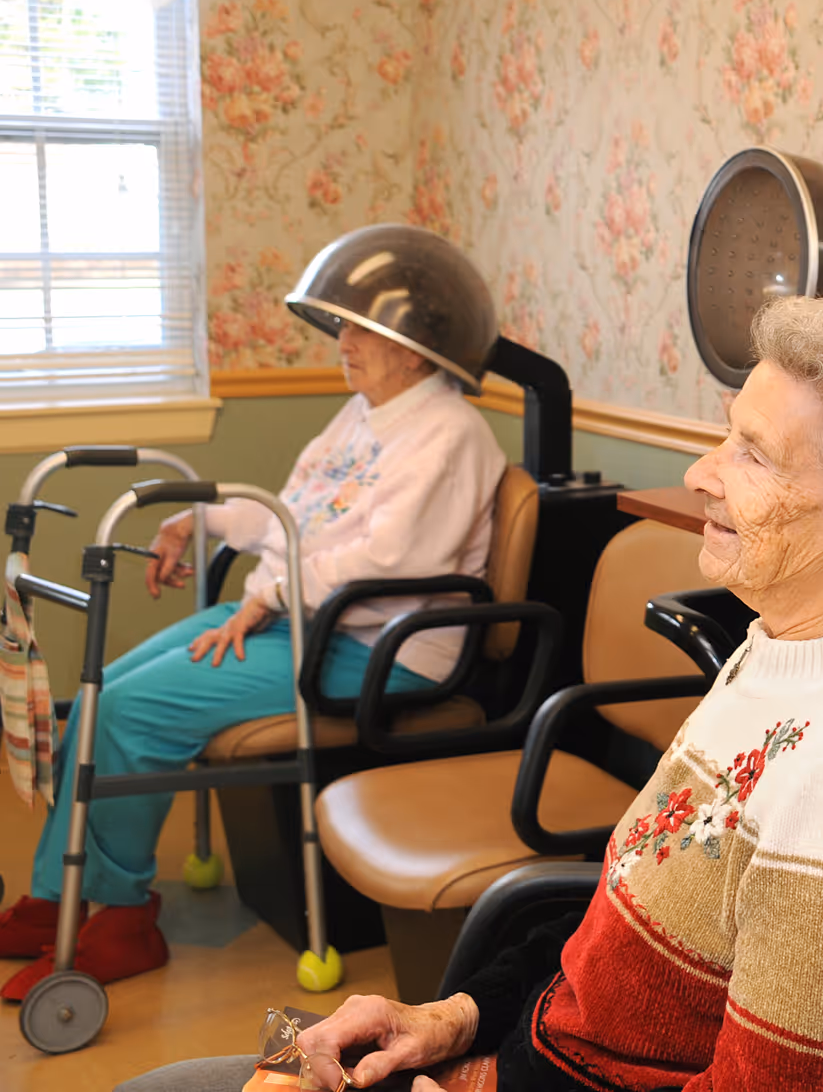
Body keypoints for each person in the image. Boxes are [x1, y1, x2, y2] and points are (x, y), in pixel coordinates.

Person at [116, 296, 823, 1092]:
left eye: (754, 456)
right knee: (222, 1070)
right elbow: (609, 956)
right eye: (727, 433)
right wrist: (448, 1019)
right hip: (514, 1055)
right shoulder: (781, 650)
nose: (700, 473)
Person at [0, 225, 507, 1000]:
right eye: (342, 324)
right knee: (104, 687)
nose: (343, 341)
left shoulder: (450, 434)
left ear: (415, 347)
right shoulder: (364, 416)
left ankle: (123, 917)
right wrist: (203, 520)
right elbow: (292, 515)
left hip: (377, 647)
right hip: (302, 622)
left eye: (363, 329)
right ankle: (55, 898)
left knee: (130, 712)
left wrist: (266, 595)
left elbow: (390, 561)